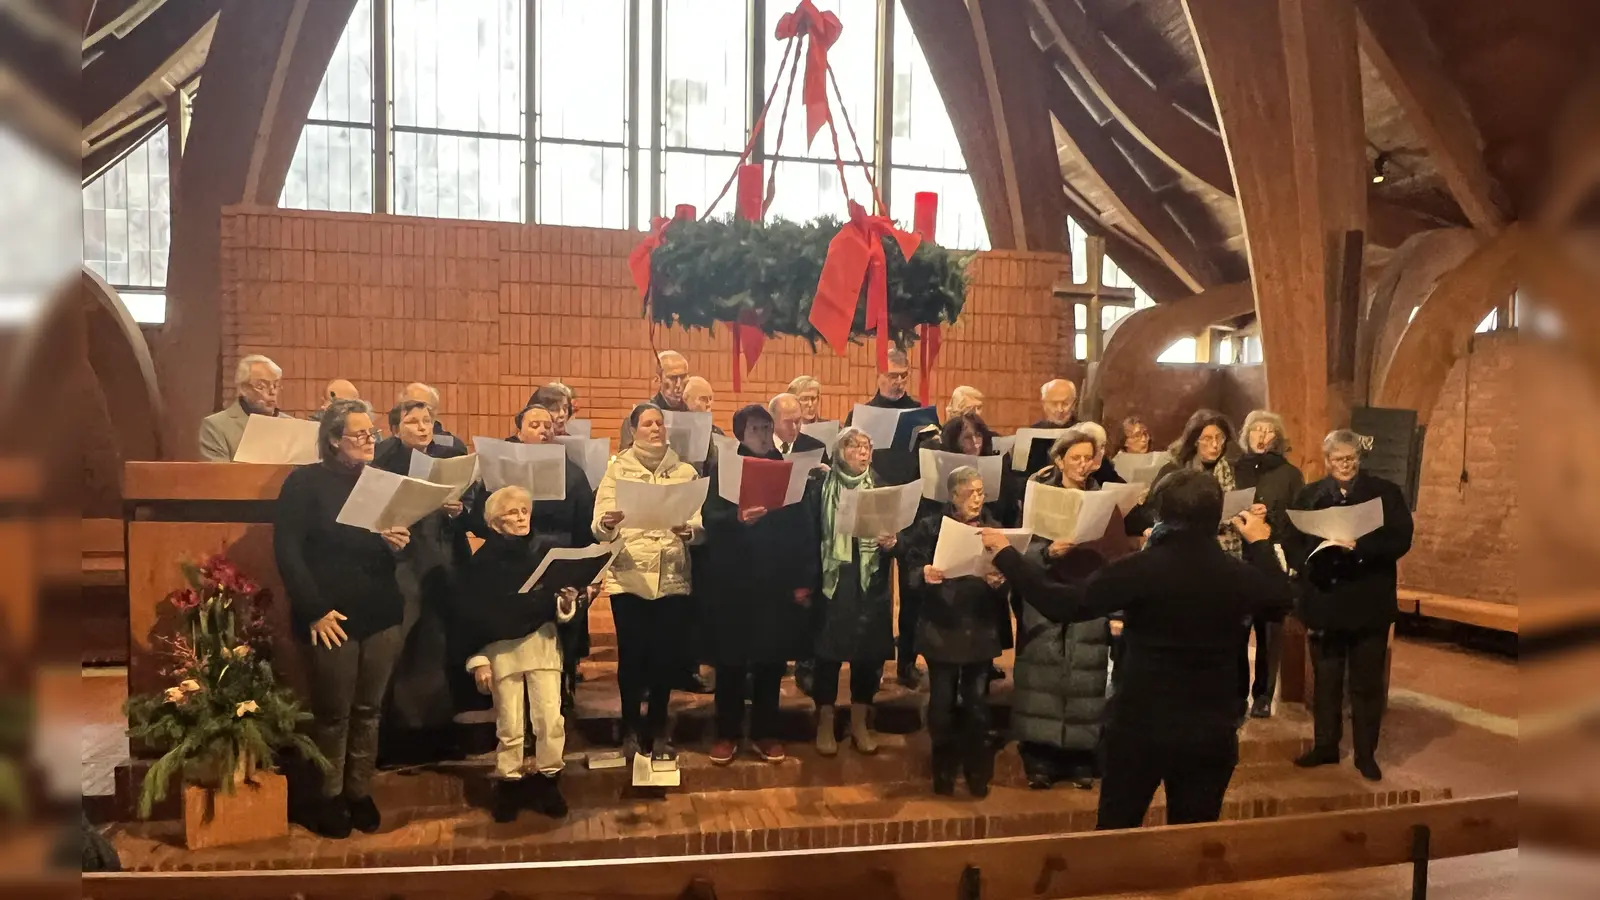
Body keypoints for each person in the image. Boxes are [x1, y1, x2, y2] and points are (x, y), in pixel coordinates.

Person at [984, 470, 1295, 830]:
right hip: (1210, 726)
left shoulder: (1140, 569)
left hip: (1140, 722)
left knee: (1116, 832)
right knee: (1193, 835)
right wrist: (1259, 542)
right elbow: (1280, 600)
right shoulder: (1235, 573)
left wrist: (1007, 555)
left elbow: (1061, 603)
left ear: (1160, 514)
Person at [272, 399, 410, 839]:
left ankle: (359, 792)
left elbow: (387, 551)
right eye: (360, 434)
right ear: (334, 440)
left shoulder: (380, 483)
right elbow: (288, 552)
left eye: (373, 433)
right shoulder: (304, 483)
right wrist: (313, 611)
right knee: (333, 714)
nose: (371, 441)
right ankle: (327, 796)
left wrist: (395, 543)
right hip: (329, 614)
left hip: (381, 611)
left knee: (370, 710)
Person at [1288, 429, 1413, 782]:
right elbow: (1292, 537)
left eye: (1351, 458)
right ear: (1327, 461)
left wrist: (1362, 547)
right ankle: (1326, 745)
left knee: (1366, 683)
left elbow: (1401, 538)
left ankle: (1365, 754)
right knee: (1326, 680)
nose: (1345, 464)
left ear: (1360, 458)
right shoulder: (1310, 495)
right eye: (1337, 459)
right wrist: (1310, 558)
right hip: (1325, 597)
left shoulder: (1385, 493)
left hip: (1368, 598)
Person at [700, 405, 817, 765]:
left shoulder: (786, 468)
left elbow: (803, 527)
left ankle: (766, 732)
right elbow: (709, 518)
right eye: (755, 429)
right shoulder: (725, 469)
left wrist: (802, 580)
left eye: (767, 428)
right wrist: (737, 518)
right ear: (740, 433)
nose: (764, 435)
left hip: (774, 581)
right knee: (731, 662)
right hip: (733, 581)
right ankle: (727, 733)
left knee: (770, 660)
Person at [591, 403, 704, 764]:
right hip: (630, 576)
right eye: (647, 424)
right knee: (633, 657)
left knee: (665, 657)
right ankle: (629, 727)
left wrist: (690, 530)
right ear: (633, 430)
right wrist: (607, 523)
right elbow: (598, 524)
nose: (655, 429)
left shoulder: (684, 471)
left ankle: (657, 727)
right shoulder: (617, 469)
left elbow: (699, 522)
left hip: (671, 575)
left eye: (659, 423)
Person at [457, 485, 577, 823]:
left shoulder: (543, 553)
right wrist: (479, 660)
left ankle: (549, 781)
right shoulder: (482, 562)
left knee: (550, 720)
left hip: (542, 645)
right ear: (495, 522)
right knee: (510, 724)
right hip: (502, 651)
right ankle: (509, 784)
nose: (522, 518)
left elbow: (554, 605)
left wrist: (566, 603)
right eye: (513, 513)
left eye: (525, 511)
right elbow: (473, 614)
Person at [1013, 426, 1118, 791]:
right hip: (1045, 596)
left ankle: (1078, 755)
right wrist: (1048, 552)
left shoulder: (1103, 499)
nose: (1083, 465)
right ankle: (1040, 756)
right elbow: (1022, 551)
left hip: (1088, 597)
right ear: (1059, 461)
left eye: (1089, 458)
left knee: (1084, 677)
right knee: (1043, 676)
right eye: (1076, 458)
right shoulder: (1040, 495)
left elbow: (1115, 552)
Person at [474, 404, 597, 712]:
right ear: (518, 431)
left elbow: (585, 523)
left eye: (548, 425)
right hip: (510, 560)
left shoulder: (572, 471)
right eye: (535, 425)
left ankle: (561, 692)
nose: (543, 430)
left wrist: (587, 570)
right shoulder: (500, 468)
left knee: (563, 630)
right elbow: (480, 519)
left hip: (560, 555)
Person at [370, 399, 468, 765]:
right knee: (402, 649)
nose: (423, 427)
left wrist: (459, 510)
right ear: (395, 429)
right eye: (413, 422)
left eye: (427, 421)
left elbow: (468, 516)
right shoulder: (383, 463)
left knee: (437, 647)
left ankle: (435, 733)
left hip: (442, 564)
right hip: (402, 564)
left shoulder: (447, 459)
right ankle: (395, 737)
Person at [902, 466, 1008, 797]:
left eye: (981, 492)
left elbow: (1009, 577)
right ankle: (943, 768)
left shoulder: (994, 529)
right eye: (970, 493)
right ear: (953, 496)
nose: (977, 499)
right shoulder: (931, 527)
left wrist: (1000, 581)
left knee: (977, 702)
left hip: (979, 625)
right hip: (942, 624)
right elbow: (910, 569)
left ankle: (976, 770)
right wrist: (924, 573)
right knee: (942, 702)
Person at [803, 426, 898, 756]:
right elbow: (807, 535)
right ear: (839, 452)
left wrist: (893, 542)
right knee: (827, 653)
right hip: (832, 579)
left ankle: (859, 722)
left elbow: (900, 535)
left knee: (866, 654)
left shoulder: (881, 487)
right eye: (854, 446)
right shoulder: (820, 487)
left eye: (867, 446)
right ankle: (825, 721)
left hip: (869, 579)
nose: (863, 452)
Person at [1232, 410, 1305, 718]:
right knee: (1237, 630)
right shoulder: (1235, 469)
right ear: (1246, 435)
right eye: (1256, 430)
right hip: (1238, 557)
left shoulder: (1290, 474)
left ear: (1277, 438)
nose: (1261, 436)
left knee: (1269, 632)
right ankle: (1236, 694)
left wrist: (1269, 518)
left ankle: (1263, 695)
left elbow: (1297, 518)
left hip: (1272, 556)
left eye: (1268, 431)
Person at [1126, 410, 1239, 550]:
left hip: (1223, 545)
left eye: (1219, 438)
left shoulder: (1229, 470)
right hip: (1181, 546)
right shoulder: (1174, 471)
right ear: (1194, 441)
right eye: (1207, 439)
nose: (1215, 444)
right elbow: (1144, 514)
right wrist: (1150, 528)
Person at [199, 354, 295, 460]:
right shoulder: (216, 426)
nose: (272, 392)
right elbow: (219, 470)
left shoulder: (292, 426)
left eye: (276, 385)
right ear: (244, 389)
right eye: (262, 386)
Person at [621, 351, 692, 449]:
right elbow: (625, 456)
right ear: (658, 379)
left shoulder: (696, 416)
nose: (678, 384)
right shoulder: (637, 417)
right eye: (672, 378)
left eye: (683, 377)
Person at [845, 348, 920, 422]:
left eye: (903, 375)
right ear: (878, 373)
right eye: (893, 375)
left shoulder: (920, 414)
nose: (899, 381)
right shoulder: (858, 417)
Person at [401, 382, 462, 451]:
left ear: (434, 410)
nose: (414, 410)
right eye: (407, 406)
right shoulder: (392, 447)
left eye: (421, 406)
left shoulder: (453, 447)